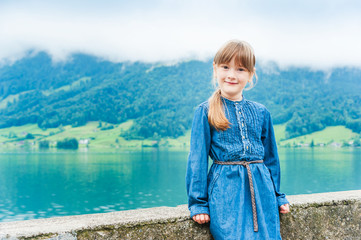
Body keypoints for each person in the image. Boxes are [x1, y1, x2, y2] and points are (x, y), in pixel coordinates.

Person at [185, 39, 290, 239]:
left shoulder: (262, 112)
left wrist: (278, 196)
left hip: (262, 190)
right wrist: (198, 203)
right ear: (215, 69)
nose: (232, 75)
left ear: (250, 74)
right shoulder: (205, 111)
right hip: (226, 191)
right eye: (226, 67)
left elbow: (271, 160)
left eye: (240, 69)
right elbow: (197, 160)